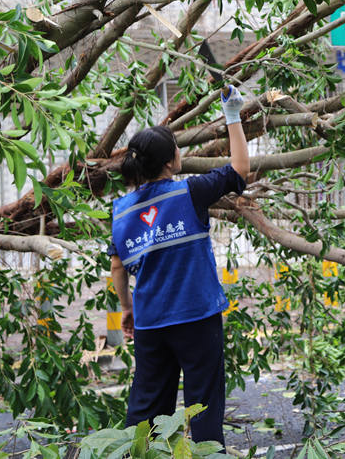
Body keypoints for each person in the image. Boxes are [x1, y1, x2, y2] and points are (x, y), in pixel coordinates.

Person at [108, 84, 249, 445]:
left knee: (146, 411)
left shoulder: (121, 211)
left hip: (151, 322)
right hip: (197, 318)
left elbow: (118, 268)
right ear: (170, 160)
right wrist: (232, 115)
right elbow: (239, 169)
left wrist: (127, 308)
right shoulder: (190, 191)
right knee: (203, 405)